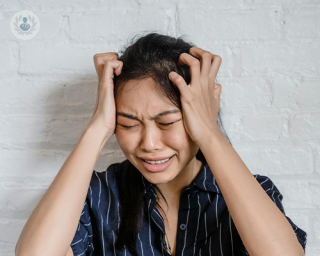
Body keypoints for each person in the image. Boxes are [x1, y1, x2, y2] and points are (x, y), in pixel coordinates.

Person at [15, 32, 307, 256]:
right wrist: (97, 128)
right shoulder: (96, 195)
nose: (150, 143)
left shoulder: (253, 193)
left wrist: (209, 130)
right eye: (128, 124)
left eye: (167, 122)